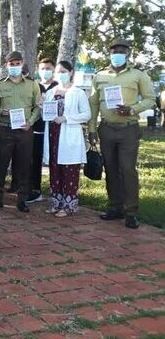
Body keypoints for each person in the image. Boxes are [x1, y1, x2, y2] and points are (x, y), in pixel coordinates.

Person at [89, 39, 155, 229]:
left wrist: (133, 109)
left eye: (121, 51)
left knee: (127, 170)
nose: (117, 54)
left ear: (127, 53)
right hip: (106, 128)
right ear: (109, 53)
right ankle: (115, 207)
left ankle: (131, 212)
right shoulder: (99, 75)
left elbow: (150, 99)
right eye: (114, 51)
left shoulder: (138, 75)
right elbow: (93, 104)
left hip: (128, 128)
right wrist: (92, 129)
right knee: (110, 169)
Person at [0, 51, 41, 213]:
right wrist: (0, 111)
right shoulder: (0, 85)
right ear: (6, 65)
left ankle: (22, 200)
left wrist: (30, 122)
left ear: (22, 64)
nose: (14, 66)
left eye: (17, 63)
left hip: (24, 131)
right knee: (1, 165)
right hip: (5, 130)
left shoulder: (32, 84)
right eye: (11, 64)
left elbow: (37, 107)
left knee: (24, 166)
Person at [43, 60, 91, 217]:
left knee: (69, 171)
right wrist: (42, 107)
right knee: (55, 170)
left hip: (69, 134)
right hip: (53, 135)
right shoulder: (51, 92)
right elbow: (48, 113)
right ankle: (56, 204)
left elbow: (86, 115)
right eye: (59, 72)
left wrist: (66, 118)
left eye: (64, 71)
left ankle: (68, 206)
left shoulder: (78, 93)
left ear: (71, 73)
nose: (61, 74)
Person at [29, 58, 58, 204]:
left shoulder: (58, 87)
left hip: (55, 130)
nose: (45, 71)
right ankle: (35, 190)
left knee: (55, 160)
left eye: (48, 68)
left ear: (53, 70)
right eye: (42, 68)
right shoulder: (35, 86)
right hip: (37, 129)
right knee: (34, 160)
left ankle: (57, 191)